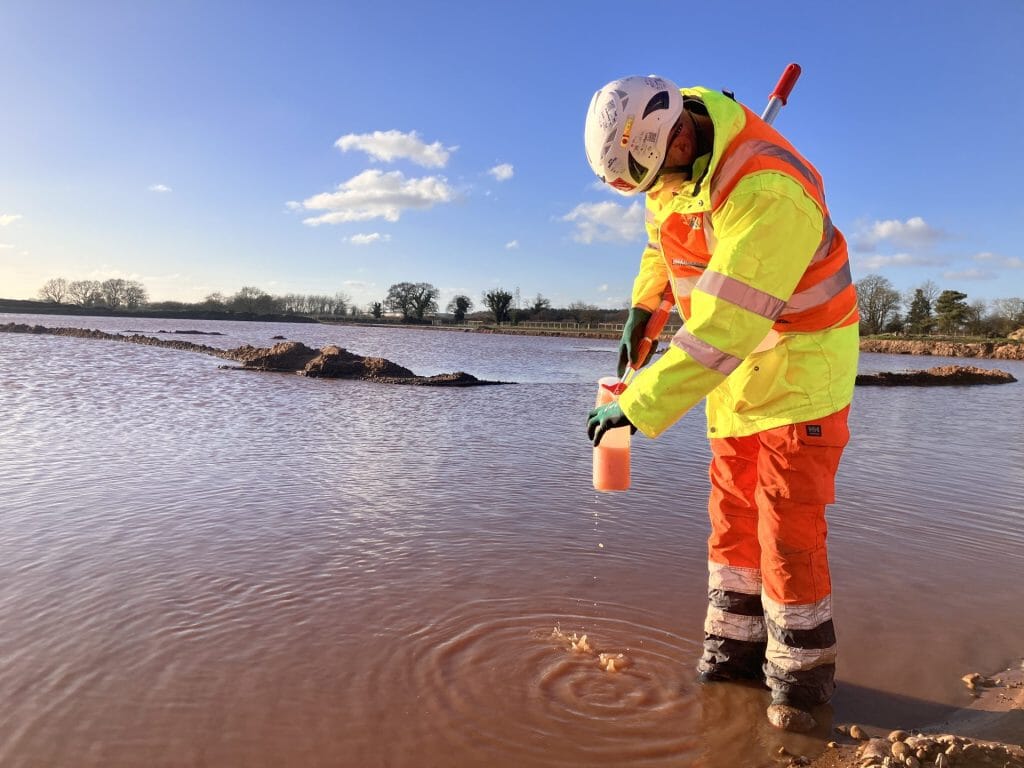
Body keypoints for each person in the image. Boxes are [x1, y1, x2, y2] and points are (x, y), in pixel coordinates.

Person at [583, 75, 859, 733]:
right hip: (736, 371)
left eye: (654, 181)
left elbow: (722, 329)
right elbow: (663, 238)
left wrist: (639, 404)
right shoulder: (672, 169)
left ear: (677, 138)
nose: (656, 197)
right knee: (732, 508)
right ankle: (734, 649)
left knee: (785, 523)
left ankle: (800, 679)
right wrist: (643, 309)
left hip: (799, 367)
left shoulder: (770, 194)